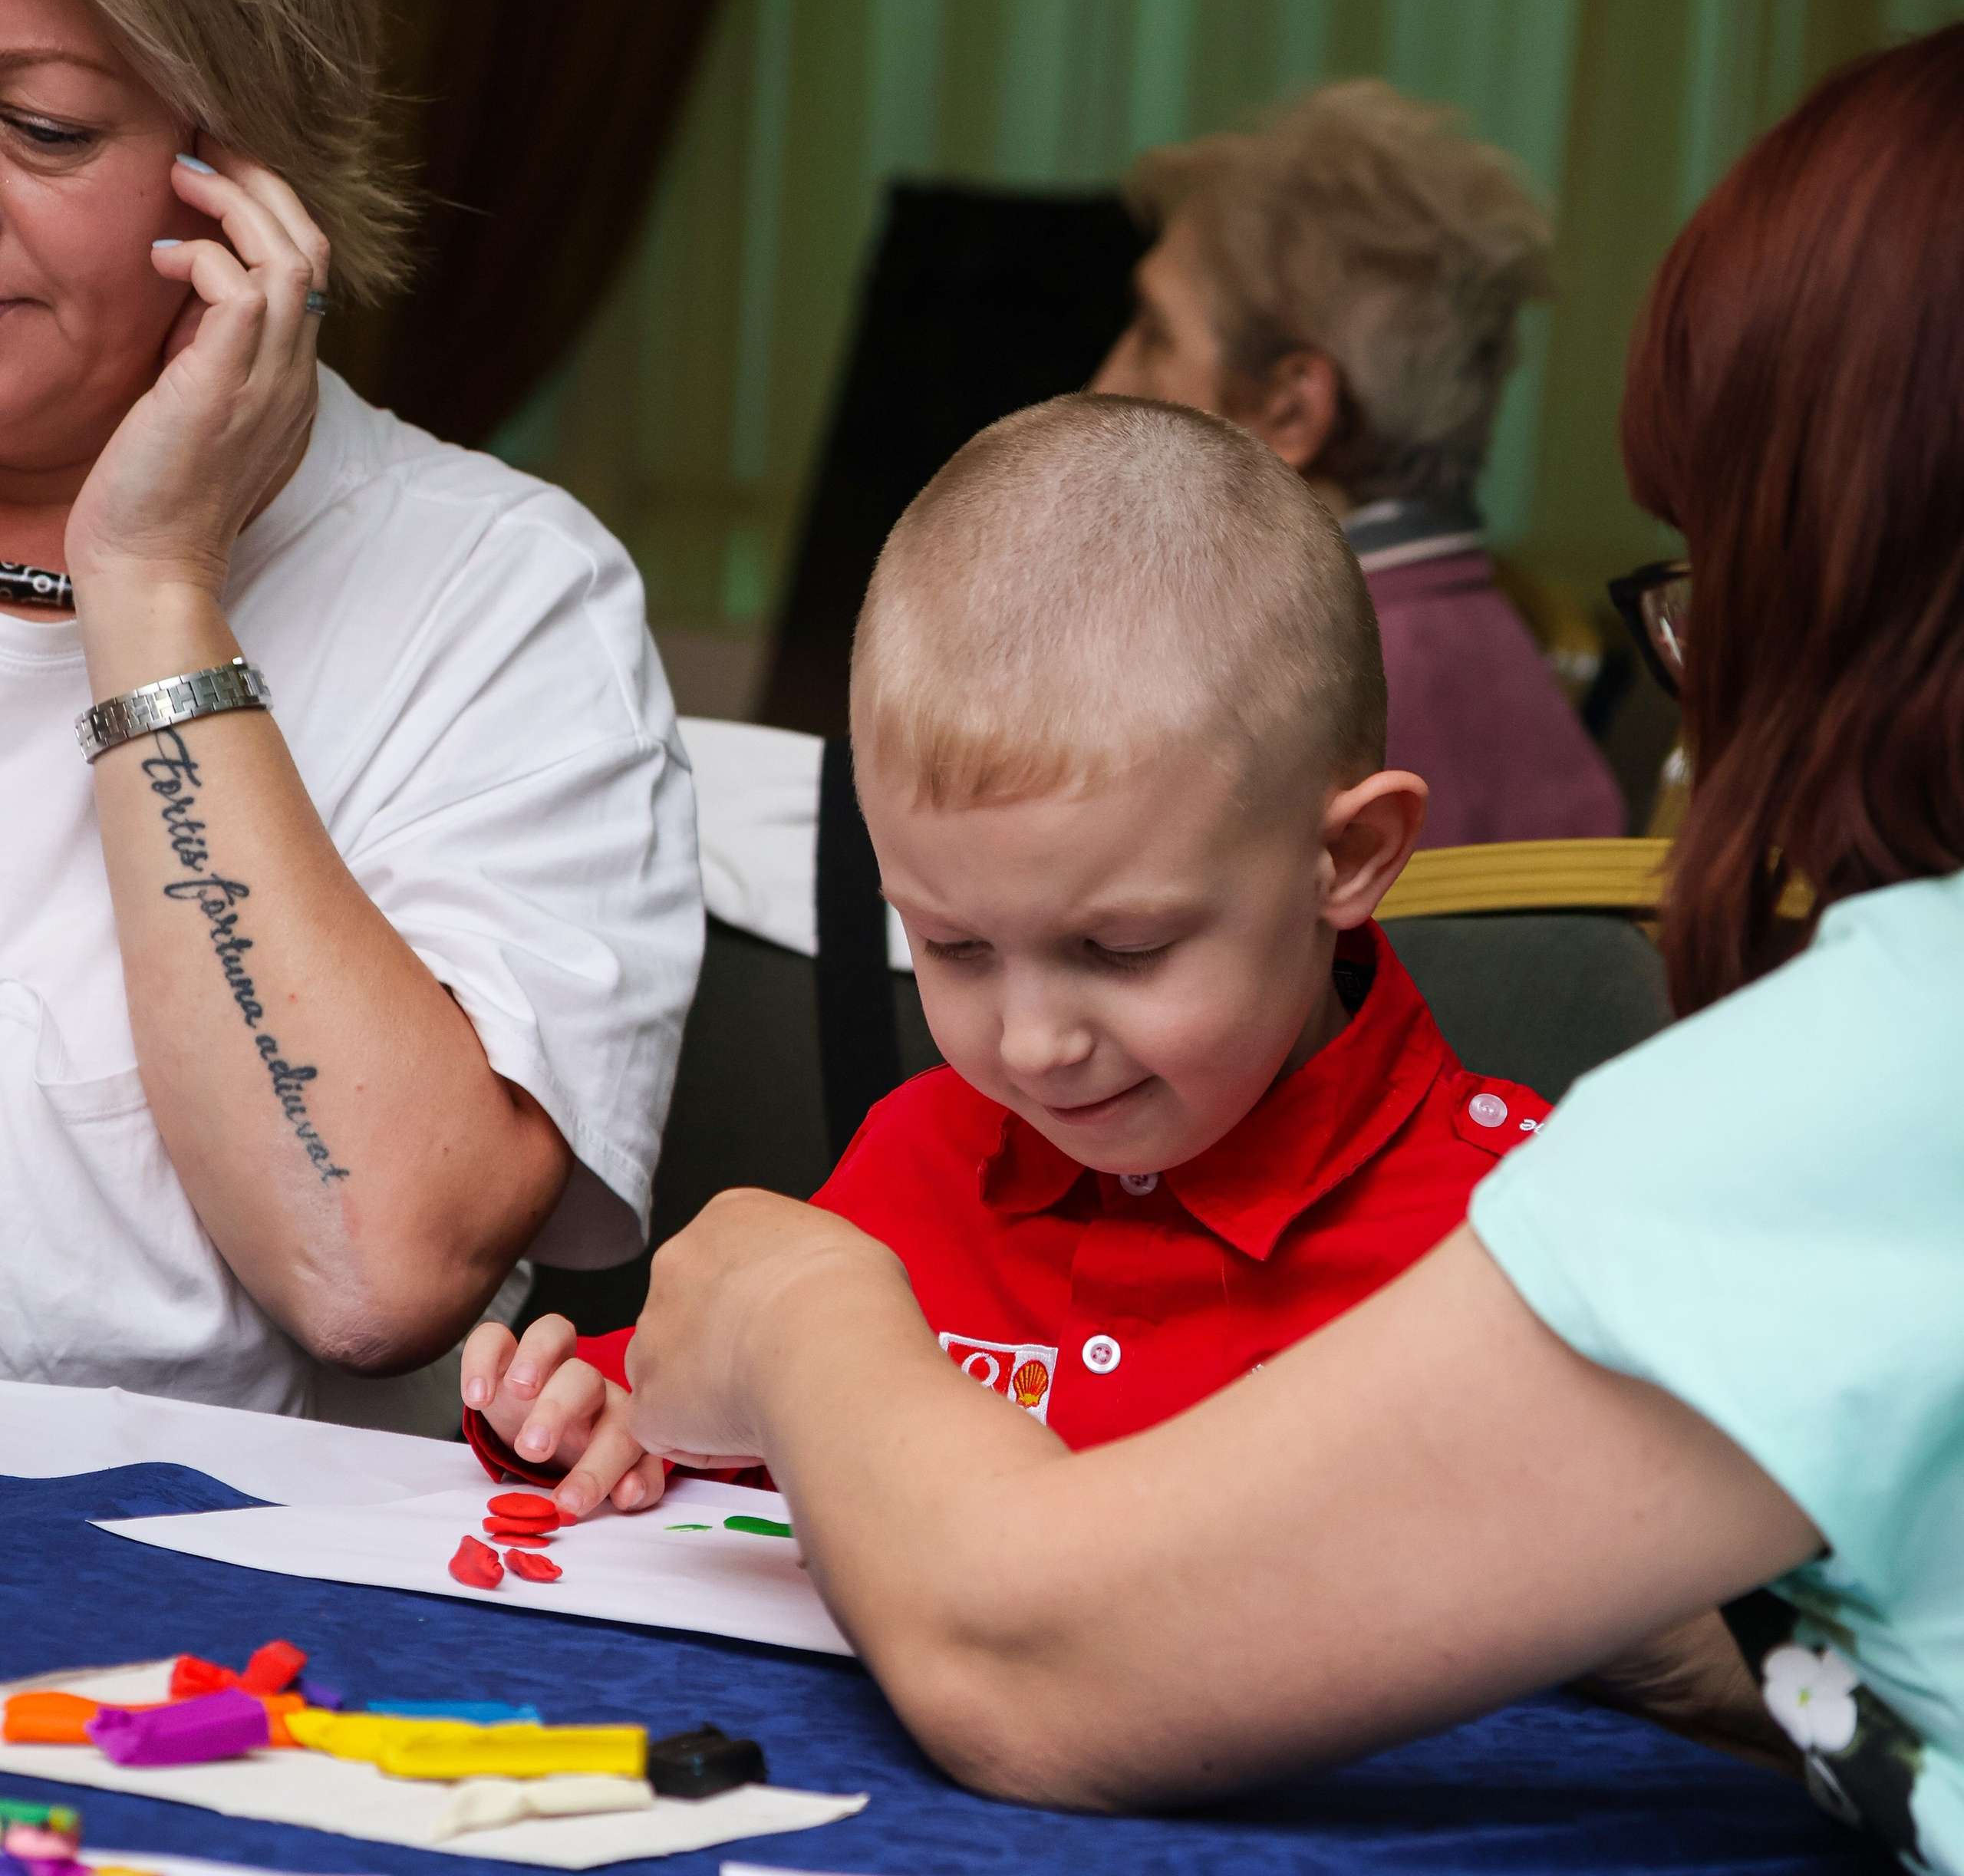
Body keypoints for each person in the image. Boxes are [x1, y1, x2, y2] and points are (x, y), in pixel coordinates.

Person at [586, 28, 1964, 1876]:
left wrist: (800, 1308)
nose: (1034, 1030)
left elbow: (1035, 1663)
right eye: (955, 944)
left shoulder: (1883, 1066)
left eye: (1720, 577)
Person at [0, 0, 700, 1426]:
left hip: (182, 1663)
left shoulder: (501, 597)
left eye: (39, 125)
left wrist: (151, 586)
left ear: (255, 171)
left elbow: (366, 1260)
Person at [460, 397, 1545, 1490]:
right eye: (953, 946)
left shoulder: (1525, 1241)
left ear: (1350, 855)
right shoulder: (920, 1155)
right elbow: (719, 1420)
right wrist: (596, 1413)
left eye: (1122, 950)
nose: (1031, 1046)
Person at [1092, 82, 1623, 850]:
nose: (1104, 382)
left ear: (1292, 411)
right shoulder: (1469, 628)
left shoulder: (1289, 699)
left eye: (1152, 333)